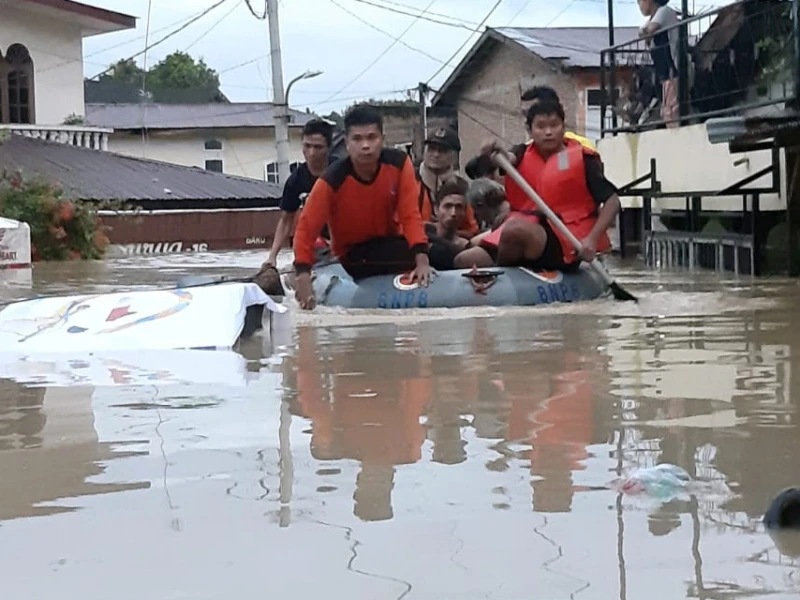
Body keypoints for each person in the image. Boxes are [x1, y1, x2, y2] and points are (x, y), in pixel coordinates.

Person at [454, 96, 621, 272]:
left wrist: (592, 240)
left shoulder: (583, 159)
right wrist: (493, 153)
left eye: (554, 125)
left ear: (563, 127)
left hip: (567, 238)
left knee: (514, 229)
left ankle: (499, 274)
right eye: (541, 126)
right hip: (527, 231)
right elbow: (507, 159)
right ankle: (504, 271)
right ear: (530, 130)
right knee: (464, 260)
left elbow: (613, 201)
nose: (548, 132)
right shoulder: (521, 152)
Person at [292, 104, 431, 310]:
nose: (366, 145)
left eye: (372, 138)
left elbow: (410, 214)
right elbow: (306, 228)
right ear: (347, 143)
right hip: (355, 254)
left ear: (382, 139)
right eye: (357, 139)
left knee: (436, 240)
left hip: (389, 241)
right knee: (432, 252)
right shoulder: (332, 180)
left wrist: (422, 259)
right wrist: (303, 274)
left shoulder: (399, 164)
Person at [263, 118, 334, 267]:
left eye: (318, 147)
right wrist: (272, 257)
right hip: (315, 245)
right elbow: (286, 220)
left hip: (345, 241)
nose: (312, 153)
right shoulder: (296, 180)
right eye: (307, 146)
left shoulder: (342, 171)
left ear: (328, 148)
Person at [416, 127, 479, 239]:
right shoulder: (409, 180)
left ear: (455, 156)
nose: (435, 154)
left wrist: (448, 232)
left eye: (442, 151)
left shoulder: (462, 187)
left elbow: (472, 230)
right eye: (431, 149)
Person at [637, 0, 680, 127]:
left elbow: (649, 30)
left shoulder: (664, 11)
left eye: (640, 2)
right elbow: (642, 32)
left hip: (674, 68)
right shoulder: (654, 17)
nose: (639, 6)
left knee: (671, 109)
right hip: (665, 71)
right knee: (666, 108)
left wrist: (646, 32)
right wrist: (645, 32)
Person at [521, 86, 598, 150]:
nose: (525, 120)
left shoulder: (583, 147)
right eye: (523, 114)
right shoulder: (521, 153)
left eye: (529, 112)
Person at [426, 176, 471, 271]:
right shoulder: (422, 233)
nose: (453, 213)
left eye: (459, 207)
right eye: (447, 206)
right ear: (436, 209)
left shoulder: (465, 245)